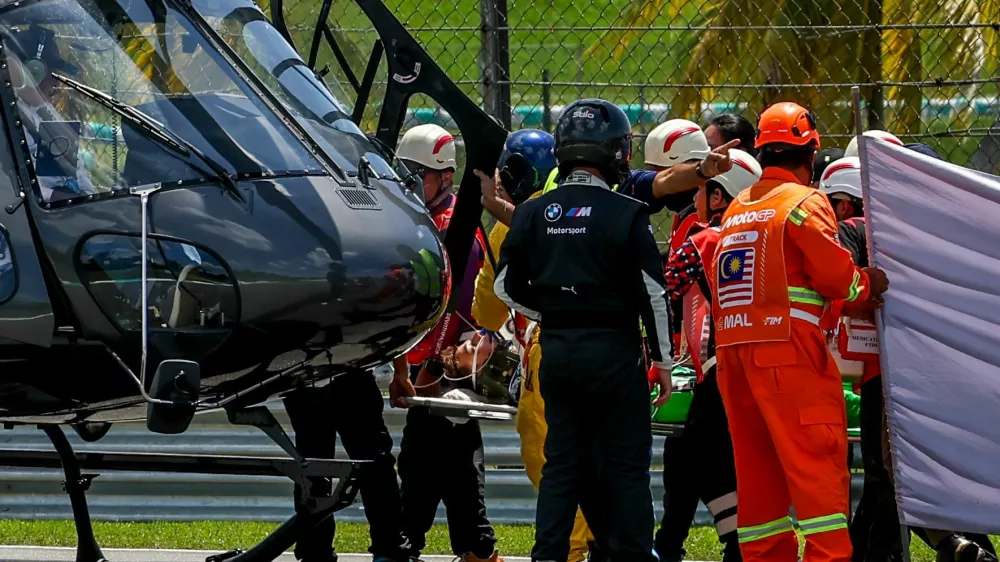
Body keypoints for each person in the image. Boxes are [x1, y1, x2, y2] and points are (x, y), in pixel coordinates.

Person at [495, 98, 673, 562]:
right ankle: (632, 554)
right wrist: (663, 361)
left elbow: (504, 286)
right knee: (627, 469)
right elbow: (653, 294)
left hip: (559, 352)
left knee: (562, 467)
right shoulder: (626, 212)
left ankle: (547, 556)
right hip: (615, 355)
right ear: (613, 152)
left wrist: (555, 310)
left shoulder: (533, 212)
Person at [712, 101, 889, 562]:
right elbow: (836, 279)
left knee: (759, 479)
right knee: (817, 470)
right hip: (786, 356)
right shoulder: (804, 203)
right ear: (810, 155)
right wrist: (868, 283)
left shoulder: (737, 207)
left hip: (734, 359)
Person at [818, 154, 997, 562]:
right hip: (947, 367)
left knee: (890, 473)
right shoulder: (940, 233)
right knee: (910, 476)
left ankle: (956, 547)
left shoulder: (857, 230)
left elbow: (837, 277)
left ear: (846, 202)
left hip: (890, 372)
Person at [472, 129, 598, 562]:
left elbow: (486, 314)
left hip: (550, 351)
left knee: (549, 457)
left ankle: (570, 548)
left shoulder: (514, 227)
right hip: (605, 348)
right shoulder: (584, 211)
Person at [387, 124, 503, 562]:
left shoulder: (457, 229)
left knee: (440, 469)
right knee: (429, 468)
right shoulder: (422, 221)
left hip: (447, 374)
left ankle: (457, 546)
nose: (409, 182)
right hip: (425, 374)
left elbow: (454, 308)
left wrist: (429, 371)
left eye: (418, 173)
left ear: (445, 177)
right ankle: (443, 545)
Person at [655, 149, 762, 562]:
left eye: (700, 190)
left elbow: (663, 286)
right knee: (688, 453)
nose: (693, 198)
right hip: (747, 367)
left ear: (718, 197)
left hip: (717, 371)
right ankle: (668, 544)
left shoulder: (702, 241)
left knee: (699, 456)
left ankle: (732, 545)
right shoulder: (757, 240)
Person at [283, 373, 412, 562]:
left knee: (313, 468)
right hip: (348, 369)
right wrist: (400, 372)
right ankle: (388, 549)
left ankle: (315, 551)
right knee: (373, 464)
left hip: (305, 376)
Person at [4, 24, 97, 202]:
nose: (57, 81)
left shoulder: (43, 110)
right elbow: (9, 186)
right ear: (33, 70)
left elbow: (76, 165)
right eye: (53, 72)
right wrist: (56, 197)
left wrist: (90, 198)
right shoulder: (9, 118)